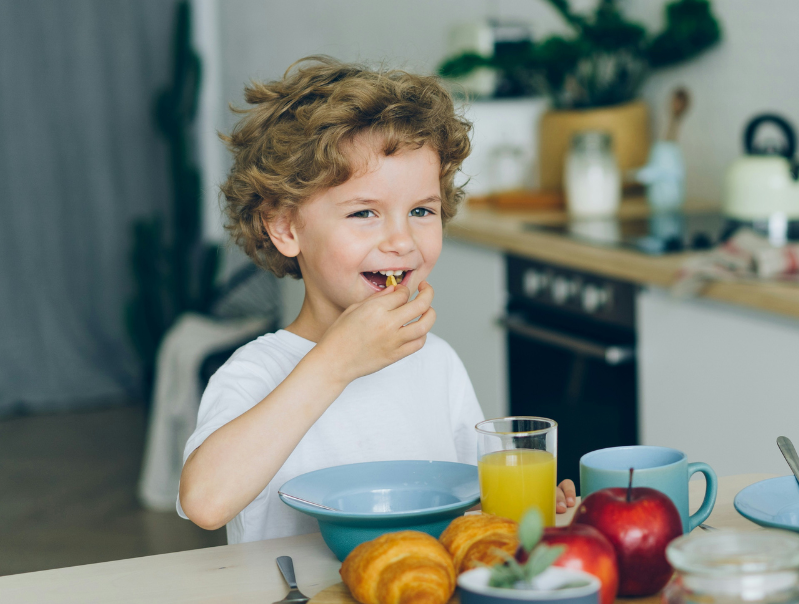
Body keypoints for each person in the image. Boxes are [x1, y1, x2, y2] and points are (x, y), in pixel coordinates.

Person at [178, 57, 577, 543]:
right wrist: (335, 362)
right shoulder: (255, 372)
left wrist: (532, 509)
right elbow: (205, 502)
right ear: (284, 226)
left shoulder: (438, 363)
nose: (401, 240)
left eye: (421, 210)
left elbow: (480, 509)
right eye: (365, 212)